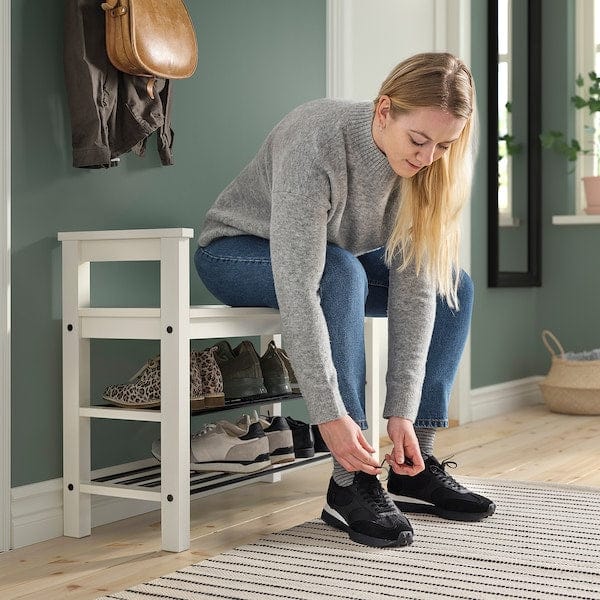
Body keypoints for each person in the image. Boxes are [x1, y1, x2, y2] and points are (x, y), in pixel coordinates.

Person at [195, 52, 495, 548]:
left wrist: (403, 408)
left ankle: (412, 465)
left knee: (452, 288)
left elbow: (416, 287)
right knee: (342, 272)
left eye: (443, 145)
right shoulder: (316, 140)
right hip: (236, 252)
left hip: (333, 260)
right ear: (383, 112)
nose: (426, 158)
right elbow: (301, 285)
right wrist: (330, 417)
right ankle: (349, 480)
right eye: (418, 140)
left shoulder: (428, 173)